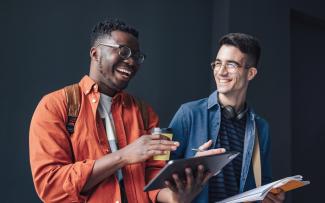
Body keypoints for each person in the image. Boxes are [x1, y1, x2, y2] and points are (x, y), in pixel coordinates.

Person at [29, 19, 210, 203]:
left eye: (137, 56)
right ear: (95, 53)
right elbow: (50, 185)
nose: (131, 61)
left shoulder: (145, 113)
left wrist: (179, 193)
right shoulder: (55, 106)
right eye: (123, 51)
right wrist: (123, 156)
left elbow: (152, 178)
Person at [169, 33, 286, 203]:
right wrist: (192, 167)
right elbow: (160, 172)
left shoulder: (261, 128)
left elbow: (263, 181)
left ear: (251, 73)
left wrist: (272, 195)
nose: (221, 72)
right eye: (218, 63)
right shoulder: (189, 113)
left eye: (231, 65)